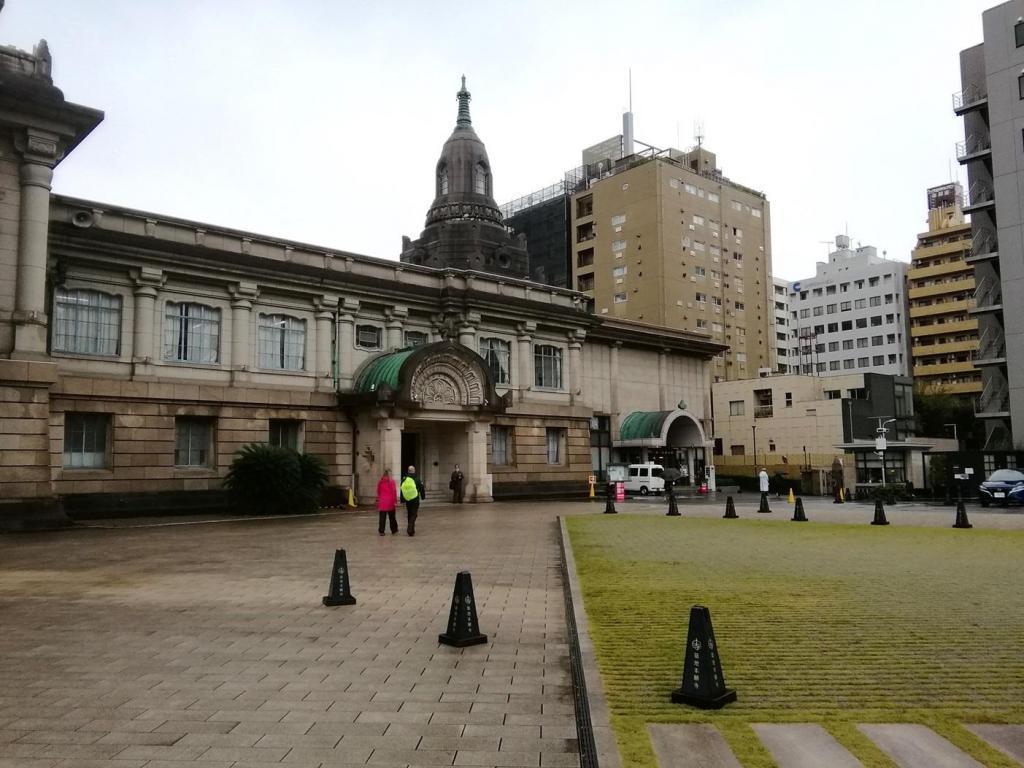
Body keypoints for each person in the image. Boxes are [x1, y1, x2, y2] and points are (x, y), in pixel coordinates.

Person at [400, 465, 425, 536]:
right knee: (414, 514)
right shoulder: (417, 479)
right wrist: (423, 497)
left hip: (408, 499)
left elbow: (402, 489)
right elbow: (421, 488)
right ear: (414, 471)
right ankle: (410, 528)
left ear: (408, 471)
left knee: (409, 514)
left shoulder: (404, 479)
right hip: (415, 499)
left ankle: (411, 530)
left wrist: (403, 499)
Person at [376, 469, 399, 536]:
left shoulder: (380, 482)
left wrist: (379, 498)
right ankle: (394, 530)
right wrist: (395, 501)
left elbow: (378, 491)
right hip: (390, 502)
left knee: (382, 517)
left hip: (382, 501)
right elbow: (394, 491)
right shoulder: (392, 481)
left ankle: (381, 531)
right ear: (389, 474)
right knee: (392, 517)